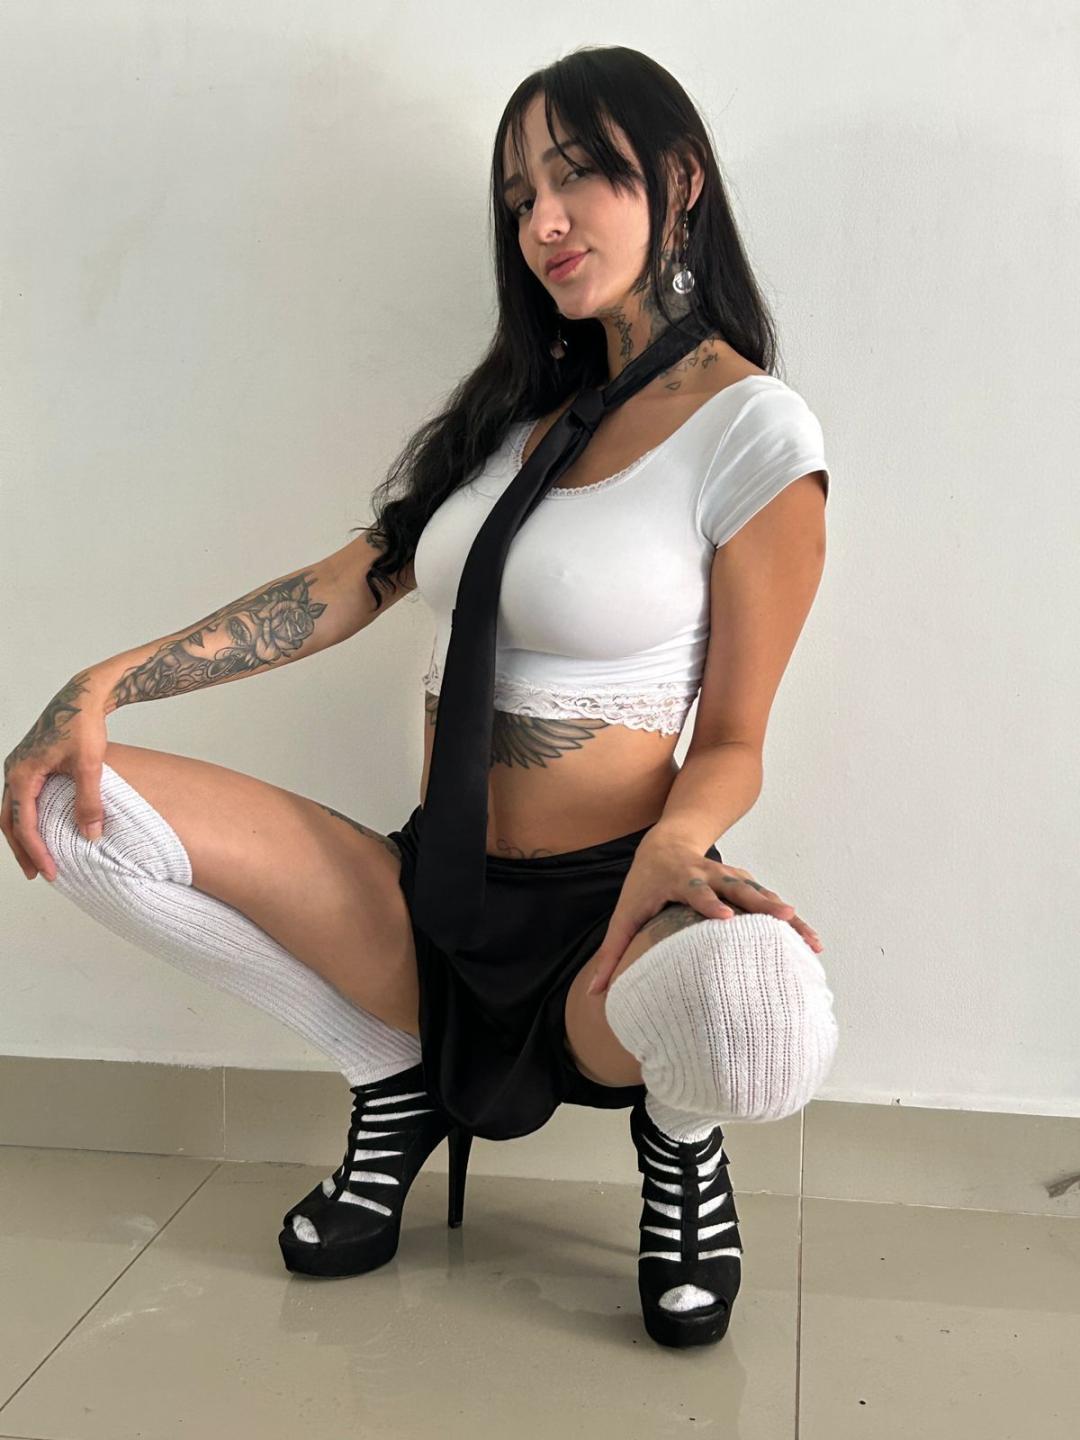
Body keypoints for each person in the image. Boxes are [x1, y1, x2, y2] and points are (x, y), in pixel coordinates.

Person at [1, 44, 838, 1350]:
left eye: (577, 176)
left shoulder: (754, 432)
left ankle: (681, 1144)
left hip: (611, 912)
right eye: (519, 196)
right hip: (435, 891)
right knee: (66, 802)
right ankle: (390, 1073)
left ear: (679, 182)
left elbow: (734, 737)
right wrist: (106, 680)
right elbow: (347, 585)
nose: (543, 221)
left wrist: (679, 844)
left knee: (763, 1005)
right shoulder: (513, 415)